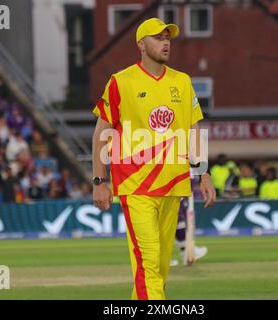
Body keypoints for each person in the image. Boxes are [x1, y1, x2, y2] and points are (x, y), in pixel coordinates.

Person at [91, 18, 216, 300]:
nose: (165, 42)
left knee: (158, 269)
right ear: (141, 45)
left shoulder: (182, 82)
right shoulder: (120, 82)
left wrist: (204, 174)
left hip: (174, 187)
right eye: (158, 38)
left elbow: (193, 131)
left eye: (167, 38)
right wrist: (99, 180)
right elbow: (101, 133)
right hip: (136, 188)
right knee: (148, 263)